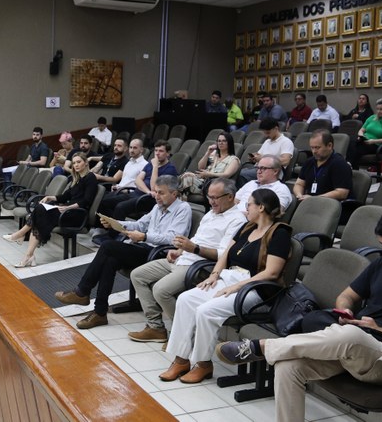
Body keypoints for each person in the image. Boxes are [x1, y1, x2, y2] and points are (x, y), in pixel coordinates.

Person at [216, 207, 382, 422]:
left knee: (351, 335)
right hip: (351, 344)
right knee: (288, 365)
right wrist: (345, 309)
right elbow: (347, 295)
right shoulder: (381, 264)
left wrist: (378, 330)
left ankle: (260, 347)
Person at [159, 189, 291, 384]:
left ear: (261, 208)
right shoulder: (247, 227)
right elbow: (226, 254)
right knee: (186, 300)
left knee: (205, 311)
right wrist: (213, 276)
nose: (245, 209)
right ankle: (180, 359)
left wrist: (237, 287)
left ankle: (203, 364)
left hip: (255, 288)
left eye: (249, 205)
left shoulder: (279, 233)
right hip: (230, 278)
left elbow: (271, 272)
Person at [54, 175, 191, 329]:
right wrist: (116, 224)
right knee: (110, 261)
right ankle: (100, 312)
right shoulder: (158, 207)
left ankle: (82, 292)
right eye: (156, 192)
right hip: (144, 248)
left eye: (161, 193)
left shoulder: (183, 209)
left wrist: (145, 236)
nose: (157, 196)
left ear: (174, 193)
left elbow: (173, 238)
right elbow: (139, 225)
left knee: (107, 246)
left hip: (159, 254)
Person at [128, 178, 247, 343]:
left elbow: (224, 255)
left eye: (215, 197)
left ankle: (184, 337)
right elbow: (198, 238)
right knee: (137, 275)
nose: (211, 201)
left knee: (161, 290)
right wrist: (178, 250)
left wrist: (194, 249)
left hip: (199, 265)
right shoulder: (211, 213)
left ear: (230, 196)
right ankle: (156, 327)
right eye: (209, 197)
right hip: (183, 258)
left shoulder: (237, 220)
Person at [3, 152, 98, 267]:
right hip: (67, 211)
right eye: (74, 163)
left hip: (77, 215)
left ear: (86, 163)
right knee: (40, 210)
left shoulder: (90, 178)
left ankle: (21, 236)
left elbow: (86, 201)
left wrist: (68, 207)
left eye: (79, 162)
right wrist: (49, 197)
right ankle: (28, 254)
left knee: (40, 212)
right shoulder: (76, 178)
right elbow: (65, 196)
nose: (76, 165)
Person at [94, 139, 147, 224]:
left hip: (129, 193)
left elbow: (140, 184)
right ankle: (103, 226)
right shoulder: (129, 162)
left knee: (103, 202)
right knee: (97, 199)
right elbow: (124, 180)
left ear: (141, 150)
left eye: (135, 148)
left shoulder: (145, 165)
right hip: (118, 190)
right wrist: (116, 186)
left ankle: (114, 227)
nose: (132, 150)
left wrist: (125, 190)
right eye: (130, 147)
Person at [293, 130, 352, 201]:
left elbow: (342, 193)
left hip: (330, 205)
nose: (314, 151)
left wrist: (314, 199)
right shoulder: (309, 162)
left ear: (329, 146)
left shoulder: (340, 164)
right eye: (312, 147)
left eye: (317, 147)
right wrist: (299, 195)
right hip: (310, 202)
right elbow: (299, 184)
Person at [238, 119, 294, 186]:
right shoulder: (267, 141)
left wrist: (262, 159)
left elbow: (285, 161)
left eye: (268, 133)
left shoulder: (286, 142)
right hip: (258, 168)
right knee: (236, 172)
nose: (266, 135)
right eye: (264, 133)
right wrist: (254, 157)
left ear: (276, 128)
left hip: (271, 171)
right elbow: (259, 155)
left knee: (241, 174)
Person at [347, 98, 382, 167]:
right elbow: (362, 130)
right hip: (365, 139)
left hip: (377, 144)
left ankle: (349, 164)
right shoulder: (372, 117)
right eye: (377, 109)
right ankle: (349, 165)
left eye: (381, 109)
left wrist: (373, 141)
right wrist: (360, 135)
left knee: (358, 148)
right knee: (351, 140)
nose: (378, 111)